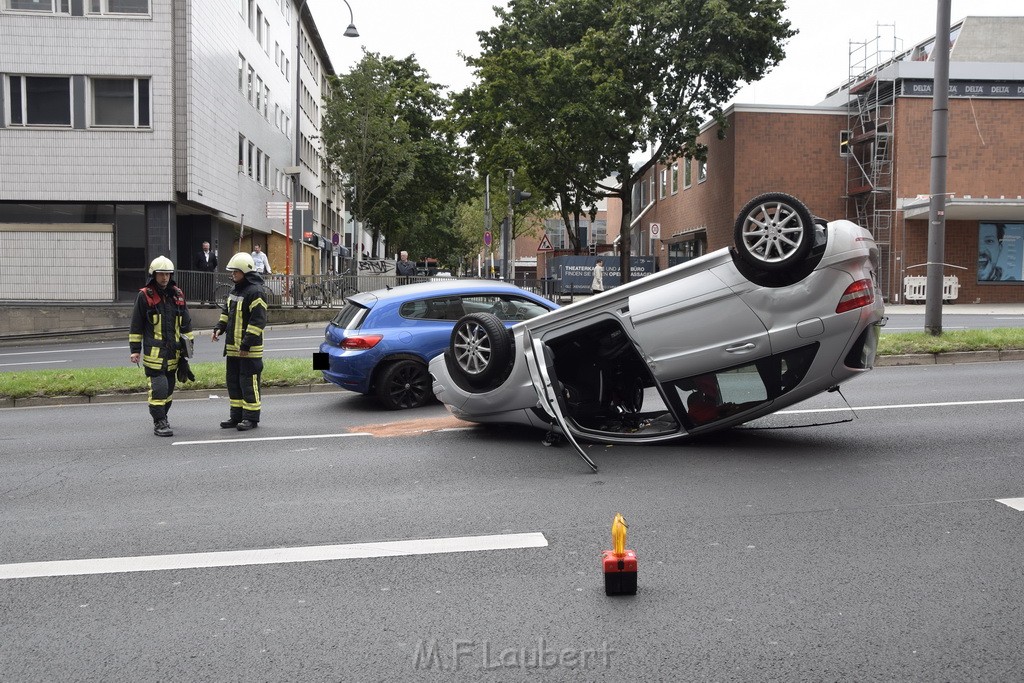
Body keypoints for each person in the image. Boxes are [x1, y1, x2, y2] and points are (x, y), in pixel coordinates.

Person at [129, 256, 194, 437]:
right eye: (161, 274)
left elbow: (186, 324)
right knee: (159, 389)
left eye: (167, 274)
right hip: (154, 355)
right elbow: (136, 325)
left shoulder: (177, 295)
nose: (164, 278)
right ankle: (159, 422)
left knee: (169, 390)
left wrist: (188, 350)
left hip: (173, 354)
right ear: (154, 275)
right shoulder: (145, 296)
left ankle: (163, 416)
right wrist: (135, 350)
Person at [212, 252, 267, 431]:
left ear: (245, 272)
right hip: (233, 348)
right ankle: (236, 416)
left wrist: (246, 345)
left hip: (249, 350)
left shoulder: (256, 292)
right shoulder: (235, 289)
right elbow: (227, 312)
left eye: (236, 272)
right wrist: (219, 328)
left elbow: (258, 322)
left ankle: (251, 418)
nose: (232, 275)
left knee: (248, 383)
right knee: (234, 382)